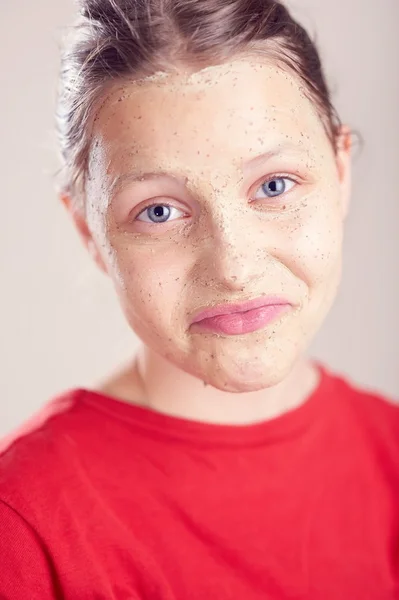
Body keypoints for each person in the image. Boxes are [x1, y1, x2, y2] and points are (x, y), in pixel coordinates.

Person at [1, 0, 398, 598]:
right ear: (90, 231)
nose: (234, 267)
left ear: (340, 173)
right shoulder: (25, 526)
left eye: (273, 185)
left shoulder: (391, 453)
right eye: (158, 211)